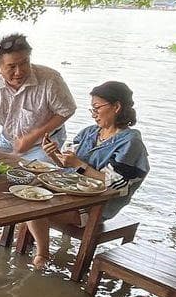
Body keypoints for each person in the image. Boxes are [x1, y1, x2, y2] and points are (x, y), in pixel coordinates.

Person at [26, 81, 150, 267]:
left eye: (97, 108)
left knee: (33, 207)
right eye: (91, 109)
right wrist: (52, 153)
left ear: (116, 107)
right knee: (27, 192)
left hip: (96, 206)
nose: (93, 114)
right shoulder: (89, 133)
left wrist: (78, 164)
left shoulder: (130, 143)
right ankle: (33, 245)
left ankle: (43, 254)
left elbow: (115, 185)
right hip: (71, 193)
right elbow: (67, 164)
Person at [0, 33, 77, 163]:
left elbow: (67, 110)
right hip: (8, 140)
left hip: (45, 143)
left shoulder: (50, 79)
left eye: (24, 63)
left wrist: (33, 136)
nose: (19, 72)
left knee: (35, 175)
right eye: (12, 67)